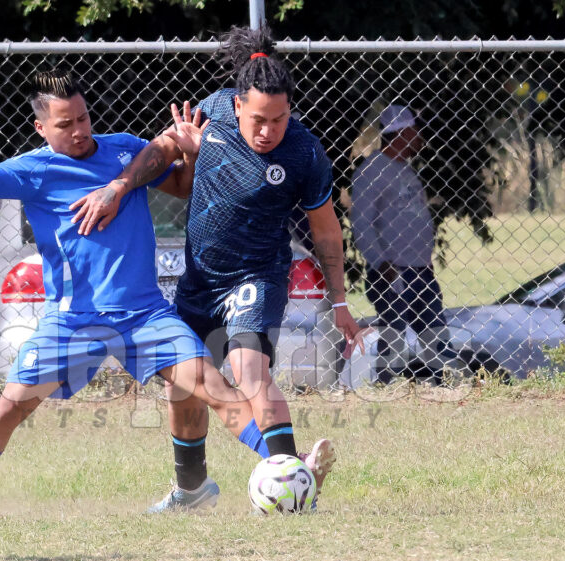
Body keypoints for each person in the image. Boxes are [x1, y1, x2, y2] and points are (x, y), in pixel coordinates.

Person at [0, 69, 271, 519]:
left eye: (83, 118)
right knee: (9, 408)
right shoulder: (34, 170)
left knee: (211, 386)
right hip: (73, 320)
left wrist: (191, 153)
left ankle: (283, 468)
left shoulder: (125, 149)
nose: (80, 130)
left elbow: (181, 186)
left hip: (144, 314)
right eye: (65, 124)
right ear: (42, 128)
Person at [70, 26, 360, 511]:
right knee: (183, 385)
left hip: (257, 277)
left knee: (250, 372)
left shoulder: (305, 153)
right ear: (238, 104)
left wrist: (341, 301)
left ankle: (292, 478)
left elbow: (328, 234)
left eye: (280, 118)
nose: (269, 130)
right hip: (201, 279)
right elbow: (165, 156)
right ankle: (190, 491)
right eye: (259, 119)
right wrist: (119, 187)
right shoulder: (214, 111)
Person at [350, 104, 456, 380]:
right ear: (401, 133)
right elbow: (362, 223)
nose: (420, 137)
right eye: (414, 131)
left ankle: (446, 381)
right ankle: (387, 384)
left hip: (419, 268)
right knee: (394, 333)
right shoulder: (372, 170)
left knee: (435, 330)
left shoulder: (405, 170)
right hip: (393, 270)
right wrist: (380, 261)